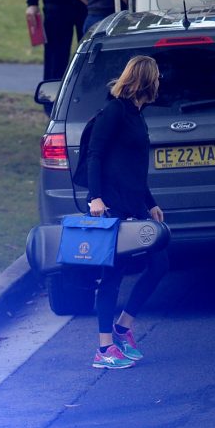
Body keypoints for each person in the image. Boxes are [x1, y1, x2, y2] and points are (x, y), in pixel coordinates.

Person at [86, 55, 169, 369]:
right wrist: (95, 198)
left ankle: (123, 328)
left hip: (135, 205)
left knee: (160, 263)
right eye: (157, 76)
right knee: (113, 274)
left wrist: (150, 201)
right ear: (146, 80)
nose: (160, 82)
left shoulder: (136, 113)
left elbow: (133, 167)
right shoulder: (115, 111)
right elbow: (95, 155)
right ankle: (104, 349)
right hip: (112, 206)